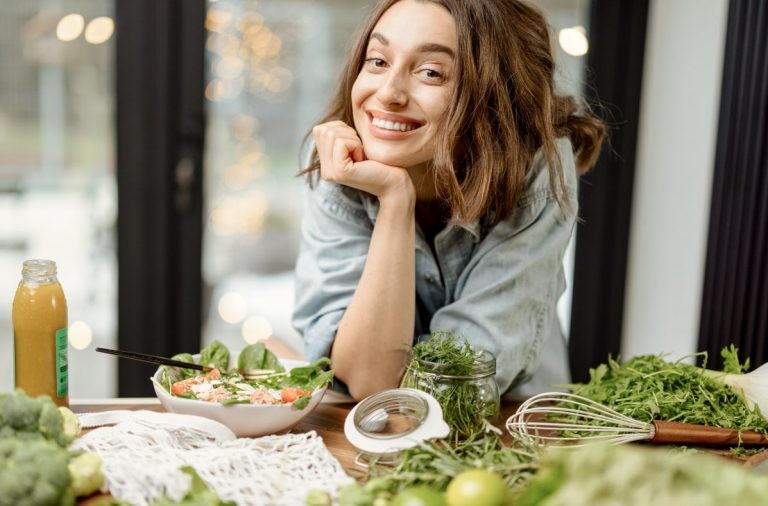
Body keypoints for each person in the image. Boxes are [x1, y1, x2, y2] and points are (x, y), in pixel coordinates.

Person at [291, 0, 605, 401]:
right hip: (370, 430)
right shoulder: (337, 159)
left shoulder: (536, 169)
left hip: (509, 428)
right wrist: (395, 199)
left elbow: (459, 385)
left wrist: (394, 199)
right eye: (378, 61)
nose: (388, 94)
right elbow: (370, 380)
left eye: (430, 72)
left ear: (492, 94)